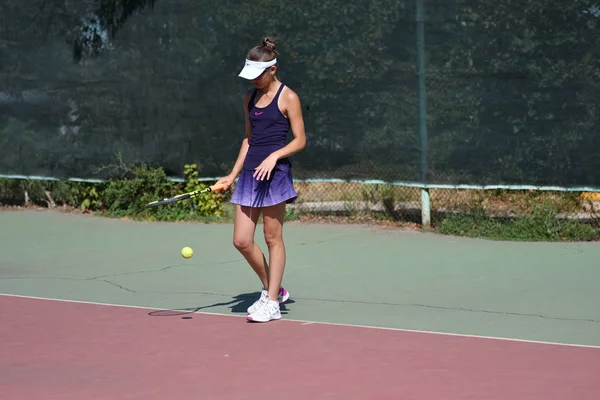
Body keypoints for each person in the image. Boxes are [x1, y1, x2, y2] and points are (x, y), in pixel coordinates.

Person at [216, 37, 307, 323]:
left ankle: (271, 302)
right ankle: (274, 289)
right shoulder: (249, 97)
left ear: (273, 69)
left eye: (259, 75)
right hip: (249, 175)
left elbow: (301, 140)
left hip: (275, 174)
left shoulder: (288, 97)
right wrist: (231, 175)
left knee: (271, 238)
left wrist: (274, 156)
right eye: (250, 76)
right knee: (242, 241)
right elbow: (248, 139)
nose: (254, 81)